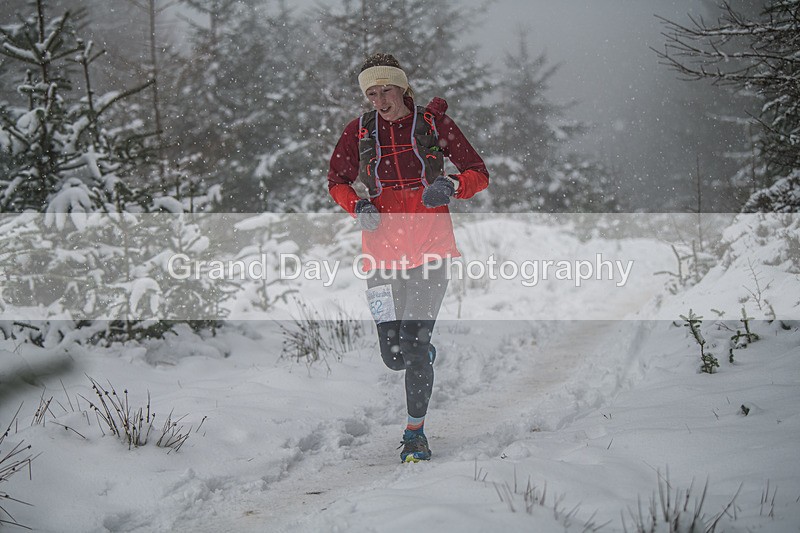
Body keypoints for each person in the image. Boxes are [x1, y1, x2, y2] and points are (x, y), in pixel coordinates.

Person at [327, 53, 489, 462]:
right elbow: (337, 180)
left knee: (414, 348)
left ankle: (415, 434)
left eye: (386, 90)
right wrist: (357, 206)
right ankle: (421, 357)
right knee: (392, 355)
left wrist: (451, 186)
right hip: (380, 254)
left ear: (403, 87)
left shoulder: (434, 126)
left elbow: (478, 172)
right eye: (371, 93)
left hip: (431, 249)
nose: (380, 100)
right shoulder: (360, 130)